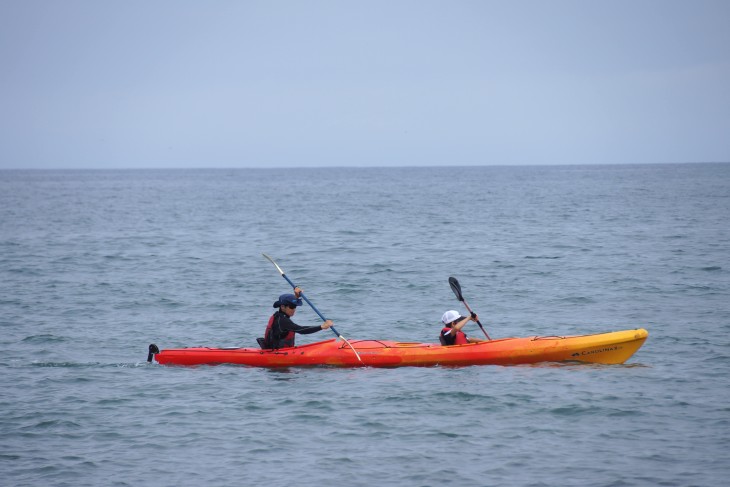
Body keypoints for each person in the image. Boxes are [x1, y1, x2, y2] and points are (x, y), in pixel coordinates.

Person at [260, 287, 332, 349]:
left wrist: (296, 297)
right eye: (291, 307)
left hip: (278, 350)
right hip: (278, 353)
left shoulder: (279, 316)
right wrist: (321, 327)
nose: (294, 309)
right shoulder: (283, 321)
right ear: (282, 307)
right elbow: (300, 330)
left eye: (295, 306)